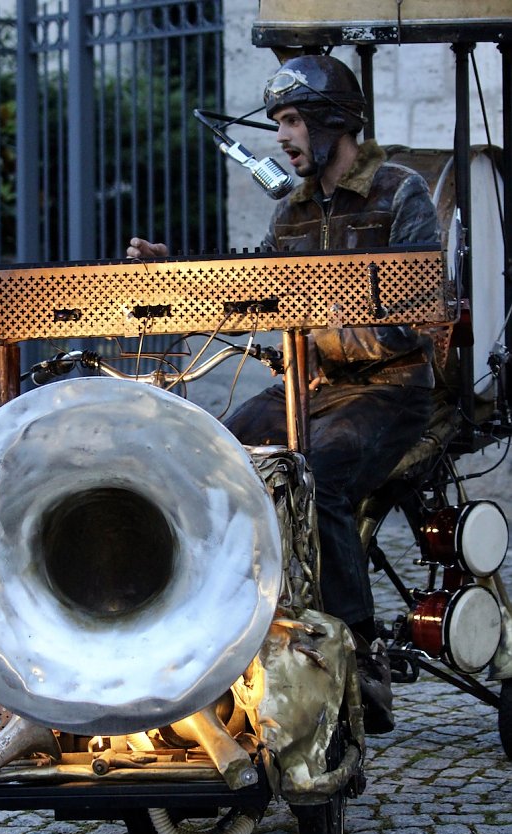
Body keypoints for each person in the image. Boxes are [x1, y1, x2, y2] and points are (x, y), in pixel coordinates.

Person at [127, 54, 440, 734]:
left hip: (387, 389)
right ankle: (225, 630)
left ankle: (358, 652)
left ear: (333, 122)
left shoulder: (398, 191)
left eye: (292, 121)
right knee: (214, 455)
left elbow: (418, 317)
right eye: (278, 123)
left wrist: (324, 326)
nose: (282, 137)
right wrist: (171, 273)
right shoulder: (292, 212)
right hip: (310, 382)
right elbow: (249, 289)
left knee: (314, 473)